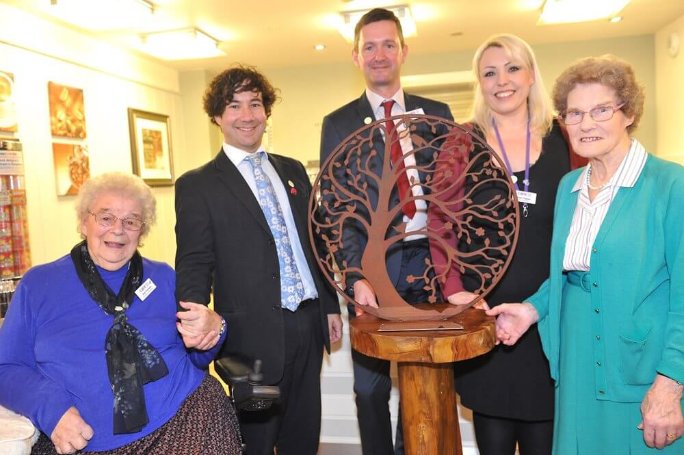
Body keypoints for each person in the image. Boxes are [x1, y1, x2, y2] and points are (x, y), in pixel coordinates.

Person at [488, 55, 684, 454]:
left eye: (600, 110)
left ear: (627, 113)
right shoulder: (569, 186)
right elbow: (571, 273)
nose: (586, 123)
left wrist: (670, 384)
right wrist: (530, 310)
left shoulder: (671, 185)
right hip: (575, 361)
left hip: (640, 368)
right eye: (574, 113)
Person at [0, 172, 242, 454]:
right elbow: (6, 367)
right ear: (83, 222)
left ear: (142, 231)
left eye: (131, 221)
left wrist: (215, 328)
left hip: (189, 418)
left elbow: (197, 356)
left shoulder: (163, 277)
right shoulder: (39, 285)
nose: (118, 230)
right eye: (106, 217)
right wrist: (52, 410)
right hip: (85, 439)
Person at [427, 34, 585, 455]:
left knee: (544, 437)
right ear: (480, 82)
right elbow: (440, 223)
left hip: (550, 311)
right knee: (492, 435)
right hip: (486, 313)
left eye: (513, 68)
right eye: (490, 72)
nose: (502, 81)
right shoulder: (462, 141)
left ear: (531, 74)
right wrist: (455, 290)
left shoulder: (566, 138)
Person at [174, 64, 343, 455]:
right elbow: (194, 261)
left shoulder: (293, 170)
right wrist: (193, 320)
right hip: (250, 337)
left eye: (255, 104)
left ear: (267, 111)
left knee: (303, 434)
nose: (246, 115)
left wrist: (330, 306)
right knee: (257, 441)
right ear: (217, 116)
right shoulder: (198, 185)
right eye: (234, 106)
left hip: (307, 323)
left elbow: (314, 242)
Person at [319, 8, 453, 455]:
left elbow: (453, 197)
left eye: (388, 44)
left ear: (404, 51)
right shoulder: (337, 124)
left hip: (431, 265)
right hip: (373, 269)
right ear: (355, 56)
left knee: (422, 378)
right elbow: (338, 210)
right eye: (369, 46)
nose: (380, 55)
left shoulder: (437, 113)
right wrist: (355, 276)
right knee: (370, 388)